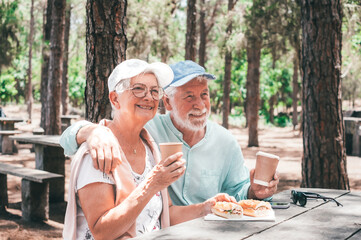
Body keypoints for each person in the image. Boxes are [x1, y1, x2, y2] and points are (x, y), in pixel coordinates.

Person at [60, 60, 279, 209]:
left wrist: (255, 191)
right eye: (189, 97)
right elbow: (67, 141)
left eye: (204, 95)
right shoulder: (147, 127)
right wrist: (92, 130)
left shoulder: (226, 142)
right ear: (167, 102)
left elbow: (238, 192)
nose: (200, 104)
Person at [63, 59, 234, 240]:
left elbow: (165, 213)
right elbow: (102, 231)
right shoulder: (99, 150)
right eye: (138, 88)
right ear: (115, 98)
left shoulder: (150, 147)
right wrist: (152, 184)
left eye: (154, 91)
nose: (149, 97)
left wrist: (206, 208)